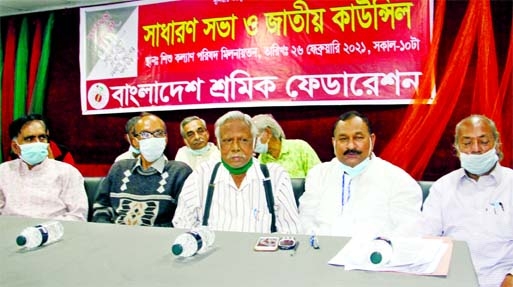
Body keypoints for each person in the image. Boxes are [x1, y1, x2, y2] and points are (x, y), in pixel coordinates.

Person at [405, 115, 513, 287]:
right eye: (467, 143)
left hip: (503, 280)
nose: (476, 149)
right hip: (452, 280)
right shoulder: (443, 187)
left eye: (483, 141)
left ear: (497, 143)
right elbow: (425, 238)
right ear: (457, 147)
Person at [172, 110, 301, 233]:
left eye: (244, 140)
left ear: (254, 142)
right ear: (218, 144)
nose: (235, 148)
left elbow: (290, 231)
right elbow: (182, 224)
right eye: (228, 140)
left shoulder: (275, 176)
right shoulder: (201, 175)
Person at [299, 110, 422, 237]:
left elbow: (407, 233)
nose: (351, 146)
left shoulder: (399, 181)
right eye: (343, 139)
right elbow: (305, 222)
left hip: (376, 254)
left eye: (358, 138)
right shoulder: (318, 175)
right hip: (324, 253)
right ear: (334, 143)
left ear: (372, 140)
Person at [93, 112, 192, 227]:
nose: (153, 138)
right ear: (134, 141)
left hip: (156, 241)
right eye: (145, 134)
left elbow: (182, 220)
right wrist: (107, 232)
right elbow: (101, 207)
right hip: (115, 237)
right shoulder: (119, 168)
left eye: (159, 133)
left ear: (165, 139)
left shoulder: (179, 172)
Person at [0, 114, 88, 221]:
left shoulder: (67, 172)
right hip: (9, 232)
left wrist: (43, 230)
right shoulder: (3, 172)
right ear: (15, 147)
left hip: (53, 233)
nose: (37, 143)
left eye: (42, 137)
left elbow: (78, 216)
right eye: (30, 139)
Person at [252, 114, 321, 178]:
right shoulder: (262, 158)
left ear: (268, 132)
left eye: (255, 137)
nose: (252, 143)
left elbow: (319, 176)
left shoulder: (300, 147)